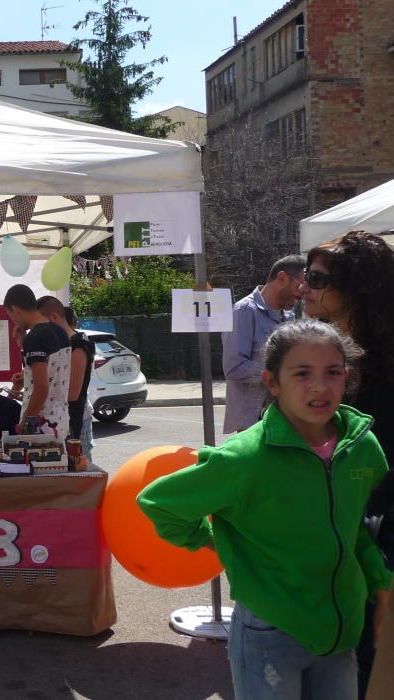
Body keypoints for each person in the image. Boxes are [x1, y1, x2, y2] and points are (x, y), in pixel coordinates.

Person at [138, 320, 391, 700]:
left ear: (347, 376)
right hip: (270, 631)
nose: (320, 387)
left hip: (341, 628)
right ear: (272, 383)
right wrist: (222, 545)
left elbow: (361, 527)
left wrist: (380, 585)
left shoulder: (363, 446)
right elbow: (159, 503)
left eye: (333, 373)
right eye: (302, 374)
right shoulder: (243, 458)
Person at [300, 230, 394, 697]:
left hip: (372, 545)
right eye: (304, 275)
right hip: (330, 544)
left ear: (357, 288)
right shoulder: (330, 358)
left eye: (317, 279)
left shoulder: (380, 369)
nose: (304, 287)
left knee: (362, 670)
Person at [222, 254, 306, 433]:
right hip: (253, 423)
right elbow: (234, 367)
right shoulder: (244, 310)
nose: (303, 292)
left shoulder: (289, 314)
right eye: (300, 285)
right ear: (282, 278)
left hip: (283, 417)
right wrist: (278, 372)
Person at [3, 284, 71, 439]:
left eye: (10, 314)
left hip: (41, 424)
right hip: (60, 419)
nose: (12, 320)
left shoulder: (35, 337)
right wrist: (23, 346)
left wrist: (24, 424)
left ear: (15, 308)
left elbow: (41, 389)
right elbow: (52, 372)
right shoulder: (59, 330)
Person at [37, 296, 95, 461]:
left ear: (54, 317)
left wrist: (41, 392)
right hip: (58, 419)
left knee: (80, 468)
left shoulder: (79, 345)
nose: (40, 329)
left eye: (42, 323)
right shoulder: (57, 344)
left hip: (74, 419)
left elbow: (73, 394)